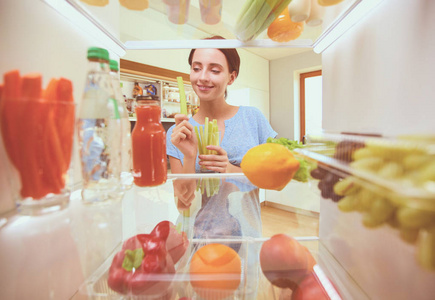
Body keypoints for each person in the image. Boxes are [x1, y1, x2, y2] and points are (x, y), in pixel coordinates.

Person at [167, 36, 277, 173]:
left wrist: (230, 169)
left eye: (214, 71)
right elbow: (181, 194)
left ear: (231, 78)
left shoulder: (252, 118)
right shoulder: (177, 132)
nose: (202, 77)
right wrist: (189, 157)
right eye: (196, 68)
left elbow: (275, 177)